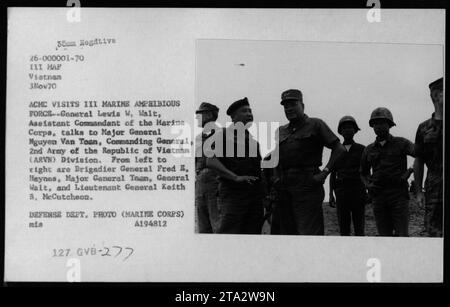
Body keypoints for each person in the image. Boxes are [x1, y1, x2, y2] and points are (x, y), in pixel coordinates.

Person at [274, 89, 345, 235]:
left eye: (293, 104)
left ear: (302, 105)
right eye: (285, 106)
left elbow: (339, 149)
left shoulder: (315, 124)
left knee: (309, 233)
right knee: (286, 233)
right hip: (284, 187)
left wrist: (325, 173)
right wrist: (275, 178)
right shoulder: (280, 131)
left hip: (308, 185)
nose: (289, 109)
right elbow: (275, 157)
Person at [206, 97, 264, 234]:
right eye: (244, 111)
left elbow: (258, 170)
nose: (249, 114)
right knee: (229, 234)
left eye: (250, 111)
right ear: (233, 117)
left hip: (254, 197)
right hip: (233, 196)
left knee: (252, 236)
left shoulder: (253, 141)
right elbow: (211, 161)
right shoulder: (223, 135)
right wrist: (235, 177)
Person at [360, 107, 415, 237]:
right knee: (384, 237)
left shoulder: (402, 143)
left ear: (389, 125)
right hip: (378, 197)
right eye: (375, 123)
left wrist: (410, 171)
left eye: (382, 123)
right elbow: (363, 172)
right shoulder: (368, 150)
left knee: (402, 235)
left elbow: (419, 155)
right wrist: (368, 185)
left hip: (398, 195)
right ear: (372, 126)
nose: (378, 126)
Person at [413, 77, 444, 237]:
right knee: (433, 233)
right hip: (433, 190)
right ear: (437, 96)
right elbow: (418, 160)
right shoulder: (424, 128)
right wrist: (419, 192)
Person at [329, 116, 367, 236]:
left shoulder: (362, 149)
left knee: (359, 226)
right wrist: (331, 194)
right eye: (344, 128)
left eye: (350, 127)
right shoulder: (336, 150)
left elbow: (367, 171)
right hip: (341, 192)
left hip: (358, 190)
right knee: (343, 227)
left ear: (355, 130)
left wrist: (368, 189)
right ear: (340, 131)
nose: (347, 130)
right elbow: (332, 172)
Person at [195, 102, 220, 233]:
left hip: (215, 186)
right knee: (203, 228)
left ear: (209, 115)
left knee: (217, 226)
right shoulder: (199, 138)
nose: (196, 118)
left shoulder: (221, 135)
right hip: (200, 186)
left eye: (200, 114)